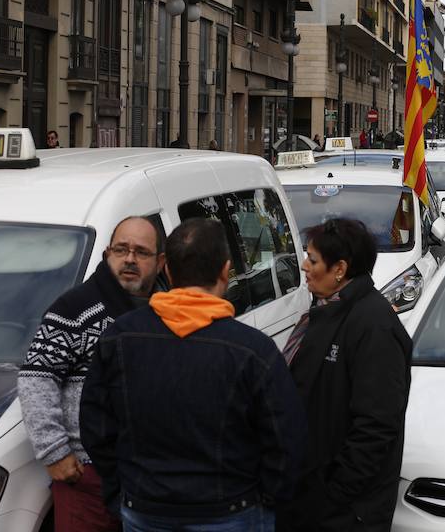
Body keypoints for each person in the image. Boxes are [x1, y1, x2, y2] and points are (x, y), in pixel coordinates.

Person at [81, 218, 305, 532]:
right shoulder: (253, 350)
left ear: (166, 270)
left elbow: (96, 428)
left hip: (146, 509)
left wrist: (124, 489)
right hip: (232, 511)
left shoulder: (119, 338)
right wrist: (267, 498)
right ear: (225, 272)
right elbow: (286, 439)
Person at [18, 217, 164, 532]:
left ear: (161, 262)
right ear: (107, 254)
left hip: (153, 482)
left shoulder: (167, 310)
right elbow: (36, 378)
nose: (129, 259)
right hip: (88, 480)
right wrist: (54, 451)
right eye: (121, 249)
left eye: (141, 252)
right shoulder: (75, 309)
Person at [284, 218, 411, 532]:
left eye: (313, 260)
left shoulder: (373, 325)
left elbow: (376, 425)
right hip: (311, 499)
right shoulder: (325, 312)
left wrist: (334, 494)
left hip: (345, 512)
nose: (303, 266)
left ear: (339, 270)